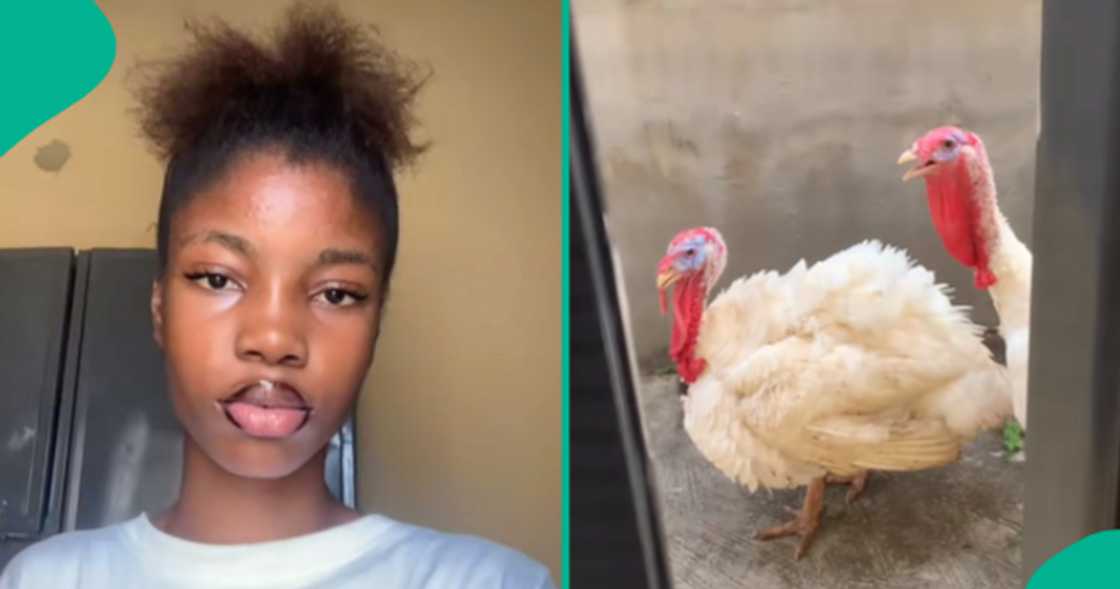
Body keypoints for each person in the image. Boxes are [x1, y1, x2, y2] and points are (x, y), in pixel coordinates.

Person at [0, 3, 554, 587]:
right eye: (218, 278)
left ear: (377, 325)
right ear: (159, 307)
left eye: (337, 294)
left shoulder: (485, 582)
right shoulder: (48, 578)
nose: (274, 338)